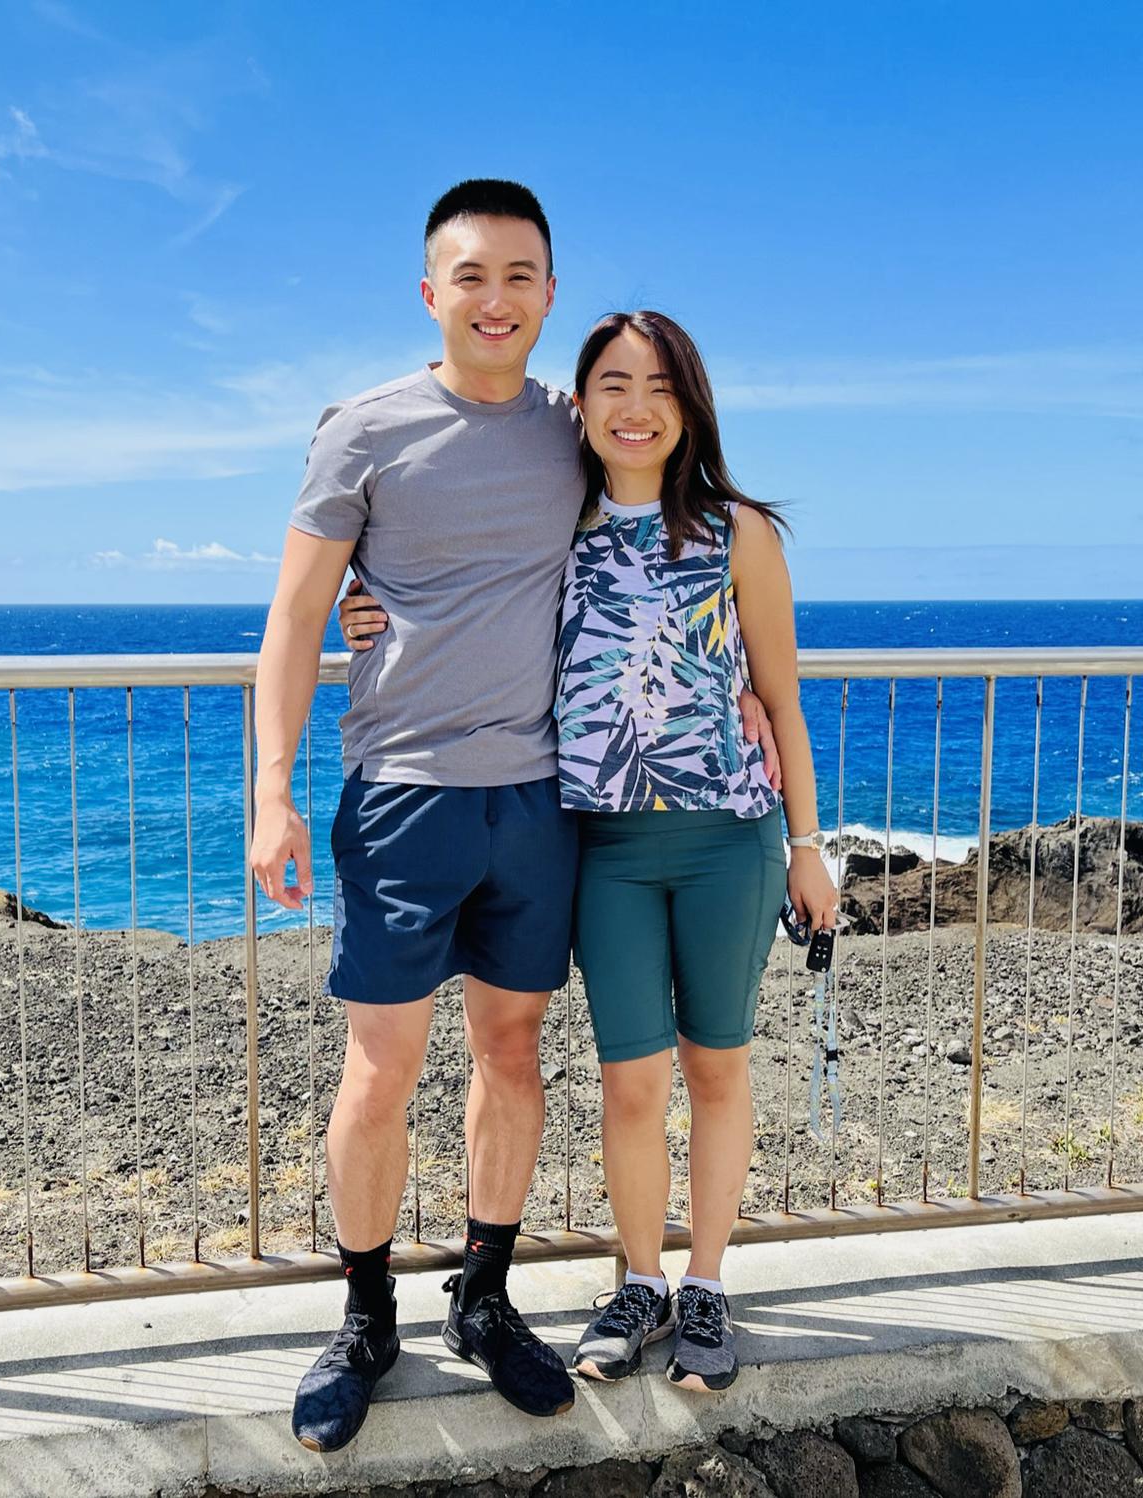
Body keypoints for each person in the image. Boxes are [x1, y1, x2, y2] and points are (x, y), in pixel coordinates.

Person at [340, 309, 836, 1395]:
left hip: (730, 841)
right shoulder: (558, 517)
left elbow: (784, 699)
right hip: (600, 844)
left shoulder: (736, 529)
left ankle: (704, 1284)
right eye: (610, 383)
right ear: (583, 403)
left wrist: (808, 843)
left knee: (714, 1066)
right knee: (626, 1082)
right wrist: (365, 595)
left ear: (689, 403)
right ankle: (640, 1281)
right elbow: (452, 553)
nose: (634, 405)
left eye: (658, 385)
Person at [249, 179, 588, 1454]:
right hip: (399, 794)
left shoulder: (581, 428)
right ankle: (362, 1316)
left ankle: (484, 1298)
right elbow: (293, 615)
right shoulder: (366, 429)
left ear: (549, 291)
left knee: (511, 1055)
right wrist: (270, 794)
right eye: (470, 276)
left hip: (539, 796)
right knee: (378, 1067)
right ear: (430, 291)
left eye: (519, 276)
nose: (494, 300)